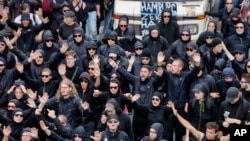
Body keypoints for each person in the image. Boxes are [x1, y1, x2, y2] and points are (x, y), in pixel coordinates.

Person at [155, 52, 201, 141]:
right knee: (168, 135)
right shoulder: (168, 75)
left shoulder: (186, 76)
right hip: (169, 110)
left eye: (175, 66)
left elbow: (195, 71)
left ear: (180, 68)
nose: (172, 67)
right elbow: (161, 71)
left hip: (180, 111)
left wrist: (197, 63)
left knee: (179, 135)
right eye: (172, 65)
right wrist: (160, 63)